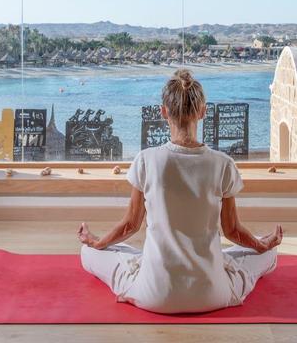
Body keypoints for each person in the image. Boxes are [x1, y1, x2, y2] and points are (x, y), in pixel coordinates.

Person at [78, 69, 283, 314]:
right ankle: (247, 256)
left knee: (88, 253)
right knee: (268, 254)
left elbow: (129, 226)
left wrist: (97, 242)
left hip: (154, 294)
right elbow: (233, 231)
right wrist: (261, 247)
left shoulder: (146, 160)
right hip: (211, 293)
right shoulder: (223, 163)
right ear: (203, 111)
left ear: (164, 112)